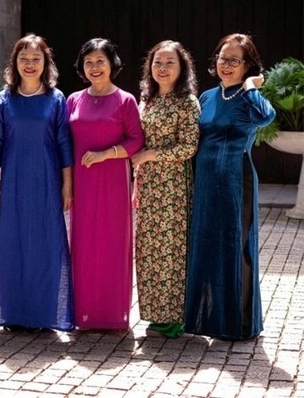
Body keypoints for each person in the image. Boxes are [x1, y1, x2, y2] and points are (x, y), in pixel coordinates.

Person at [185, 33, 275, 341]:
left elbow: (266, 117)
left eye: (234, 60)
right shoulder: (208, 97)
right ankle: (208, 320)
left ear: (247, 65)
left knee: (236, 250)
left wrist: (250, 87)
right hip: (206, 183)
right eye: (223, 58)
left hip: (237, 182)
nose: (226, 65)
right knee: (207, 247)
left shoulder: (249, 99)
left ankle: (239, 324)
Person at [0, 33, 74, 332]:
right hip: (12, 182)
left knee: (46, 245)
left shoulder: (56, 98)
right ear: (15, 62)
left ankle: (44, 315)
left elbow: (64, 145)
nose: (30, 64)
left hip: (48, 180)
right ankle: (14, 313)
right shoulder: (4, 99)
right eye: (24, 58)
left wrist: (67, 185)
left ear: (45, 63)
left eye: (36, 59)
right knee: (14, 244)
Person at [67, 38, 144, 330]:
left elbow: (136, 140)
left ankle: (113, 316)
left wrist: (105, 155)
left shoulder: (125, 101)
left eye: (100, 61)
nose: (94, 67)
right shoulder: (73, 99)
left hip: (113, 183)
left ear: (112, 64)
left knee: (113, 245)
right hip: (82, 184)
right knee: (84, 245)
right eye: (89, 62)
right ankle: (83, 314)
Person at [131, 40, 200, 338]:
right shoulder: (148, 100)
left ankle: (175, 317)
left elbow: (189, 146)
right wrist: (138, 177)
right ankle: (155, 315)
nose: (162, 68)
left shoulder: (187, 102)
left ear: (182, 67)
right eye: (157, 62)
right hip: (148, 185)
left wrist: (150, 155)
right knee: (148, 249)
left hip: (173, 185)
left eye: (170, 62)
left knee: (172, 250)